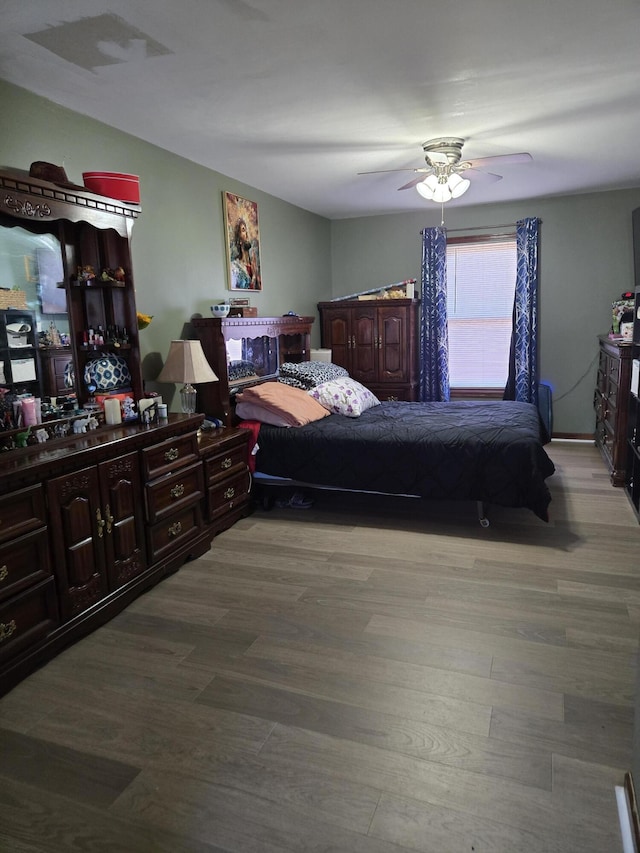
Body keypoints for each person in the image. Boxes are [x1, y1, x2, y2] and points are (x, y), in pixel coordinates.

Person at [230, 217, 260, 289]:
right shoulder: (235, 266)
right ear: (239, 239)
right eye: (243, 230)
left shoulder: (253, 265)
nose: (247, 233)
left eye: (246, 230)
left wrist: (255, 273)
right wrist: (254, 277)